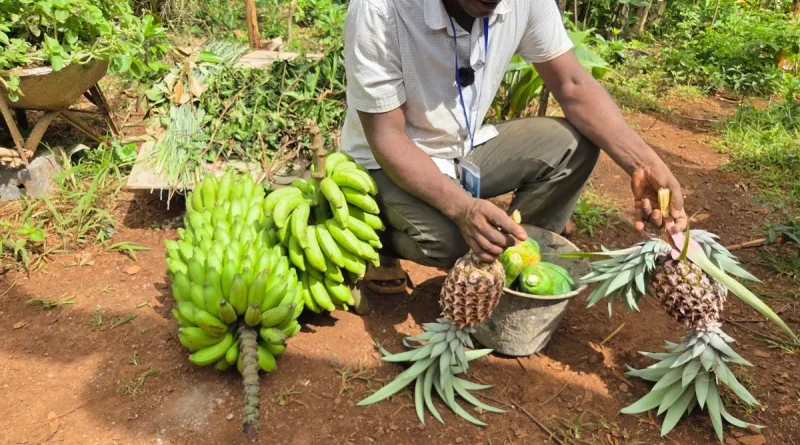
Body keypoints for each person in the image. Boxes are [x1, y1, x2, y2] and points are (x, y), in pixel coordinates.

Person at [340, 0, 688, 294]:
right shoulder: (380, 9)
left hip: (464, 147)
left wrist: (644, 163)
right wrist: (462, 209)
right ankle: (379, 237)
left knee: (574, 146)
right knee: (458, 244)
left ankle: (518, 258)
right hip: (386, 160)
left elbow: (572, 84)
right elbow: (387, 136)